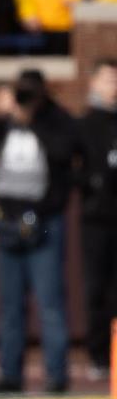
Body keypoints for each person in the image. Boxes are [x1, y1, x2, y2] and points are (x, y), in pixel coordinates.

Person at [0, 69, 79, 394]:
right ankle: (10, 373)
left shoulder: (56, 118)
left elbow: (65, 152)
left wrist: (33, 119)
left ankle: (57, 375)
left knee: (49, 301)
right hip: (8, 219)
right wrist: (1, 115)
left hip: (45, 220)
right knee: (10, 304)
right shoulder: (6, 119)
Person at [76, 58, 117, 382]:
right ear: (93, 83)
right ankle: (99, 356)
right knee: (97, 290)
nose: (113, 85)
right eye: (107, 79)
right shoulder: (86, 125)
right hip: (97, 219)